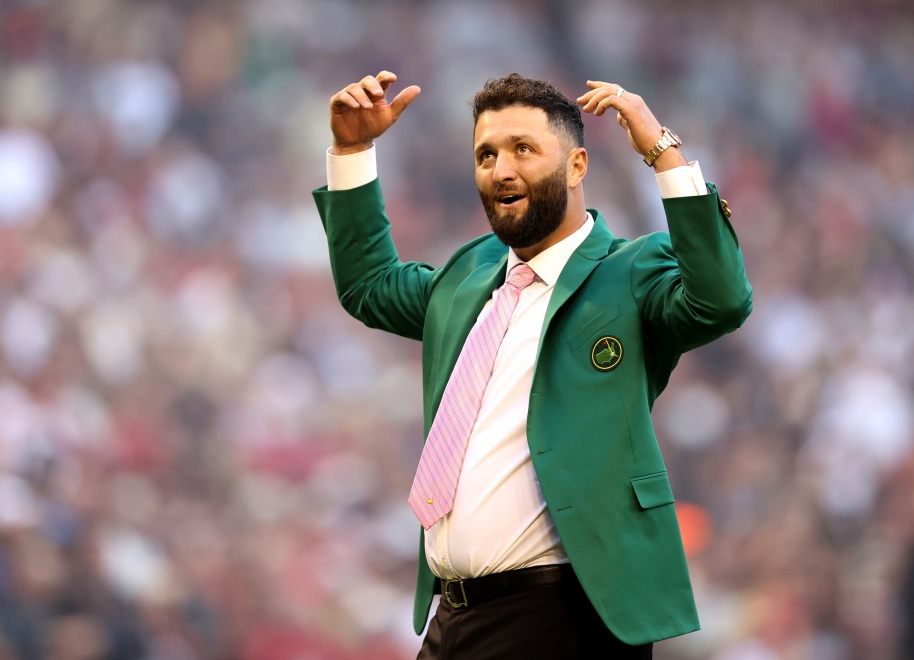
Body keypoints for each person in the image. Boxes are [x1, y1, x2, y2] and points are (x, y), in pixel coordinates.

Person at [312, 69, 752, 659]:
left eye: (524, 149)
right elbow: (369, 284)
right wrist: (352, 150)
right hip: (454, 616)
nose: (502, 169)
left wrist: (662, 151)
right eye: (486, 154)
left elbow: (722, 299)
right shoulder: (471, 277)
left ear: (576, 167)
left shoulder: (629, 272)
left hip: (567, 616)